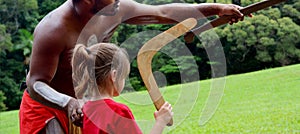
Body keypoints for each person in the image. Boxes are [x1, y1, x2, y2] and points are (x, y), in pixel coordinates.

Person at [19, 0, 247, 133]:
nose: (118, 2)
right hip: (47, 111)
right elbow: (36, 82)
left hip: (87, 109)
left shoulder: (115, 8)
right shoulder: (53, 29)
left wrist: (216, 8)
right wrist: (67, 103)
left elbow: (163, 12)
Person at [72, 43, 173, 134]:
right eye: (124, 76)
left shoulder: (86, 110)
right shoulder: (118, 111)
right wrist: (161, 121)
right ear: (114, 75)